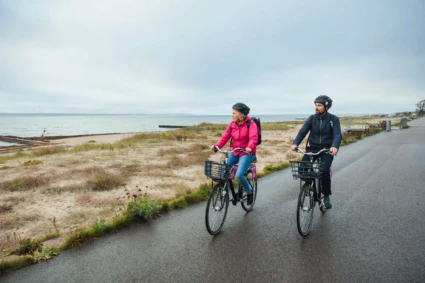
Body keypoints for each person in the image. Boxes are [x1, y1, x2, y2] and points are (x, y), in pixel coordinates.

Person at [290, 95, 342, 209]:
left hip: (327, 149)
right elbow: (302, 131)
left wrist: (334, 146)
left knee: (324, 170)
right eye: (316, 105)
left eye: (319, 105)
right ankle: (309, 186)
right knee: (302, 169)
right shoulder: (312, 118)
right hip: (312, 148)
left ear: (326, 107)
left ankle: (326, 196)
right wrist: (295, 144)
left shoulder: (334, 119)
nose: (316, 107)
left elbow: (337, 134)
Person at [211, 102, 258, 205]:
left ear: (241, 114)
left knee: (239, 175)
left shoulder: (251, 124)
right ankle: (225, 191)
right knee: (224, 170)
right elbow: (225, 136)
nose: (232, 115)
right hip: (235, 151)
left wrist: (249, 147)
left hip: (247, 153)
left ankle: (249, 192)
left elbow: (253, 137)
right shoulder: (232, 124)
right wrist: (217, 146)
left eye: (234, 113)